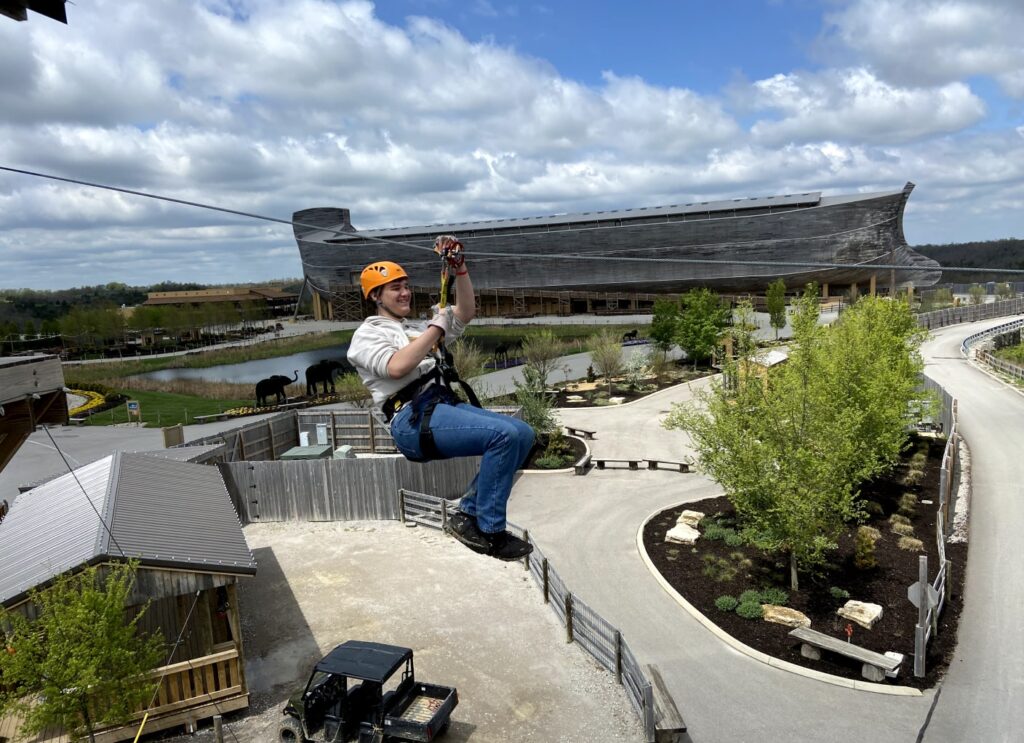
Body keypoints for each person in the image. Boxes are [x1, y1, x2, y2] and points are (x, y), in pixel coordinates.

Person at [346, 236, 535, 561]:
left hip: (440, 407)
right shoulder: (367, 335)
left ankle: (469, 512)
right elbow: (397, 366)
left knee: (524, 434)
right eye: (395, 288)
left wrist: (459, 269)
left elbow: (465, 311)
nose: (405, 292)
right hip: (411, 418)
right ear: (376, 296)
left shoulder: (416, 328)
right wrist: (436, 328)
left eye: (406, 285)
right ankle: (489, 530)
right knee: (503, 436)